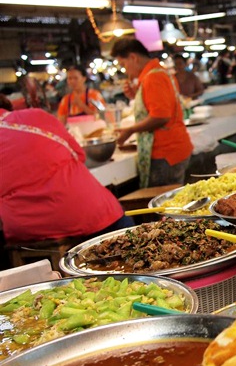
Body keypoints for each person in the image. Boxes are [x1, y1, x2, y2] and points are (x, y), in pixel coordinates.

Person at [0, 94, 133, 244]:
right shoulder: (35, 116)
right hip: (91, 214)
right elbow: (80, 155)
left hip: (30, 233)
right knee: (134, 244)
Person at [110, 38, 193, 188]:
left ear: (133, 58)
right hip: (174, 149)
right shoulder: (159, 72)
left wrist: (130, 130)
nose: (125, 70)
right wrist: (137, 94)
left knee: (165, 200)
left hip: (166, 153)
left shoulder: (153, 77)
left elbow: (161, 116)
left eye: (123, 64)